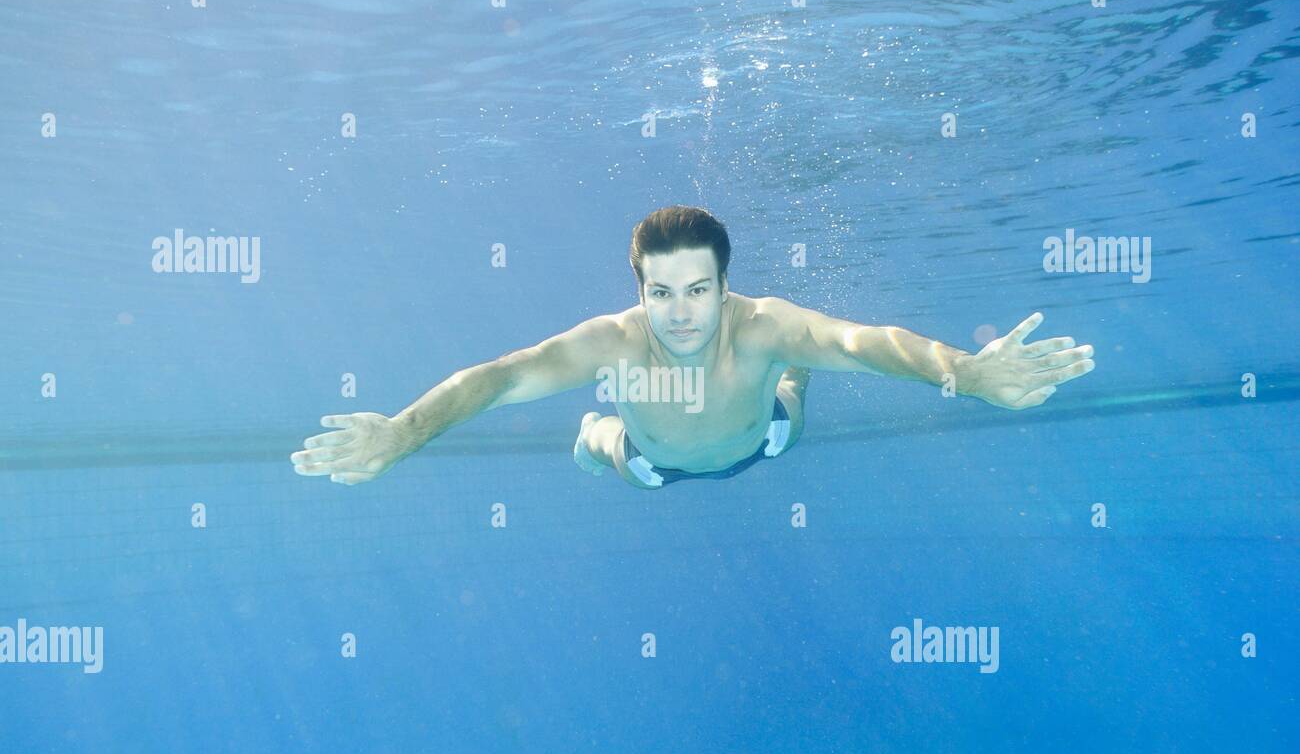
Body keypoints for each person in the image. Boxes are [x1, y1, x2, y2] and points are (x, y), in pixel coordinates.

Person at [290, 205, 1095, 490]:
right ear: (639, 289)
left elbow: (871, 340)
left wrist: (967, 373)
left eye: (698, 291)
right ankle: (595, 432)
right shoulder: (615, 342)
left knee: (798, 378)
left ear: (725, 284)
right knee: (609, 451)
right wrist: (403, 430)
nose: (679, 314)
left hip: (765, 437)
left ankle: (792, 382)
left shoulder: (762, 320)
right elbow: (499, 379)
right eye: (661, 293)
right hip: (652, 461)